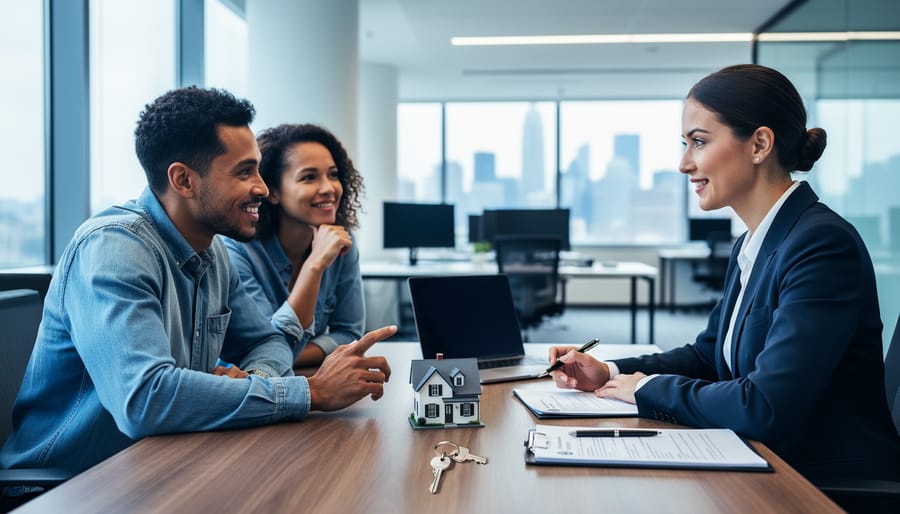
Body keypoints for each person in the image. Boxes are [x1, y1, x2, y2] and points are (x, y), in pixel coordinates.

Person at [0, 87, 396, 477]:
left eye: (257, 169)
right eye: (244, 171)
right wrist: (310, 392)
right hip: (70, 486)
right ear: (184, 181)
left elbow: (267, 340)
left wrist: (258, 379)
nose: (261, 187)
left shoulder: (212, 252)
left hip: (165, 462)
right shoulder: (114, 248)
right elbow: (145, 400)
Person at [549, 64, 900, 483]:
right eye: (685, 144)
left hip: (820, 481)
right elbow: (708, 357)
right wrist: (608, 372)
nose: (683, 164)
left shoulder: (821, 244)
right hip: (764, 461)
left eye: (698, 142)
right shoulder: (755, 243)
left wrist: (644, 388)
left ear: (759, 144)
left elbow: (765, 407)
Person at [223, 123, 365, 368]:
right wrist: (315, 265)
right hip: (253, 389)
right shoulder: (238, 250)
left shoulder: (341, 241)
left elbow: (349, 335)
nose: (329, 188)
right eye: (309, 177)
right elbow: (258, 349)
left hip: (304, 380)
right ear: (273, 192)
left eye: (333, 175)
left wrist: (283, 356)